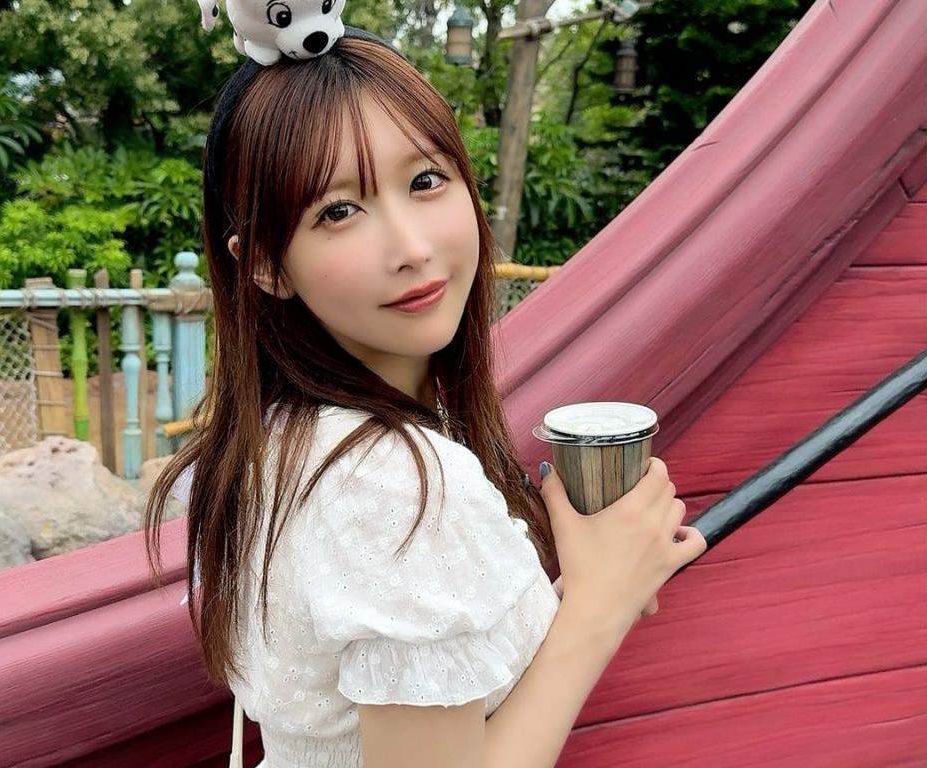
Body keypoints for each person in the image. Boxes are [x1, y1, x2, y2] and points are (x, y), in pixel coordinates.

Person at [143, 27, 707, 768]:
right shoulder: (393, 482)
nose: (410, 247)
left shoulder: (276, 437)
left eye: (425, 181)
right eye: (337, 211)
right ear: (266, 264)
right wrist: (600, 603)